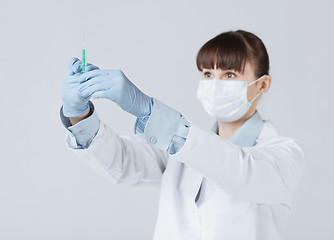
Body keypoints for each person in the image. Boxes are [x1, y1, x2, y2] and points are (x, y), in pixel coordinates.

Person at [60, 30, 305, 240]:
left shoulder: (284, 155)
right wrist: (78, 115)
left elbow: (241, 171)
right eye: (208, 74)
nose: (214, 84)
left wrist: (149, 111)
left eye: (230, 75)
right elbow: (122, 162)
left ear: (262, 84)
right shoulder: (182, 151)